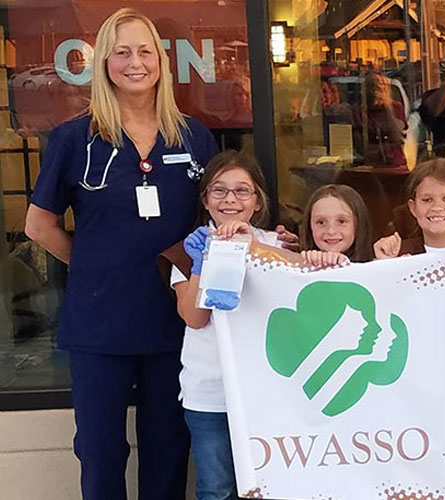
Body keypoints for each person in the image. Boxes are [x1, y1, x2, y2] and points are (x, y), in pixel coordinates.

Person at [23, 8, 219, 498]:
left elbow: (218, 221)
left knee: (169, 447)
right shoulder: (74, 139)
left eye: (145, 51)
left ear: (162, 62)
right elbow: (38, 225)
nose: (136, 63)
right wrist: (91, 264)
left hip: (174, 321)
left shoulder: (194, 138)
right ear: (104, 63)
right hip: (99, 323)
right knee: (101, 450)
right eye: (122, 52)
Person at [173, 151, 276, 500]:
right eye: (219, 190)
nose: (230, 199)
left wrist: (256, 246)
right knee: (216, 487)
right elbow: (194, 317)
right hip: (209, 393)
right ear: (205, 199)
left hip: (267, 392)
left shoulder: (276, 244)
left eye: (242, 191)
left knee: (270, 483)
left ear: (258, 200)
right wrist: (204, 260)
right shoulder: (187, 250)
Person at [297, 184, 375, 268]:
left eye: (341, 221)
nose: (331, 231)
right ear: (310, 227)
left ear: (358, 225)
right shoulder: (296, 267)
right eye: (321, 222)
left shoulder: (375, 268)